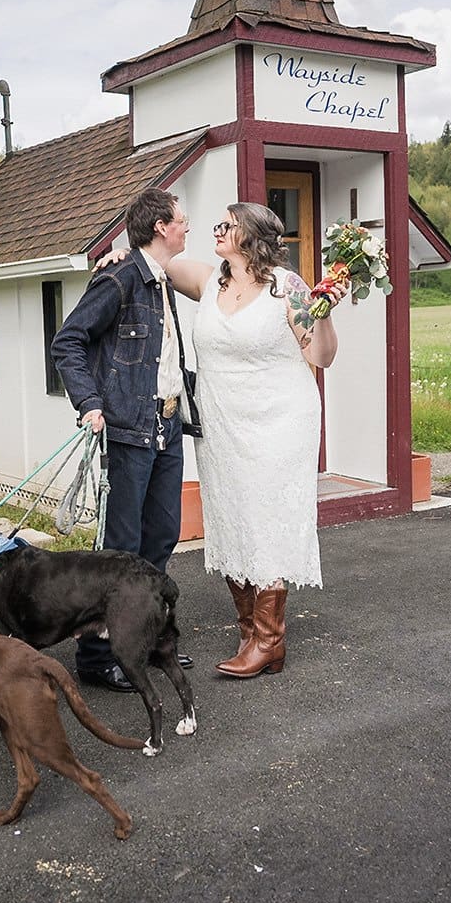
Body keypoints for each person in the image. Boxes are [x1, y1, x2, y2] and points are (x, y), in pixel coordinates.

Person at [108, 201, 346, 678]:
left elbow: (321, 356)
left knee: (265, 517)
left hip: (279, 421)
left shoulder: (287, 288)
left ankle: (269, 640)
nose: (216, 232)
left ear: (251, 236)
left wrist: (321, 312)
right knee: (232, 514)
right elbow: (152, 260)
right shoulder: (207, 278)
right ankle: (249, 633)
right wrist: (119, 254)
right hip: (221, 423)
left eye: (226, 226)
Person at [50, 187, 197, 692]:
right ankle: (95, 657)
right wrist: (89, 402)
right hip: (129, 431)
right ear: (160, 226)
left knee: (161, 536)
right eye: (182, 219)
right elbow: (68, 341)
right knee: (120, 549)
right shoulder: (119, 278)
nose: (187, 226)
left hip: (168, 427)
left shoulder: (162, 279)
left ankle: (144, 641)